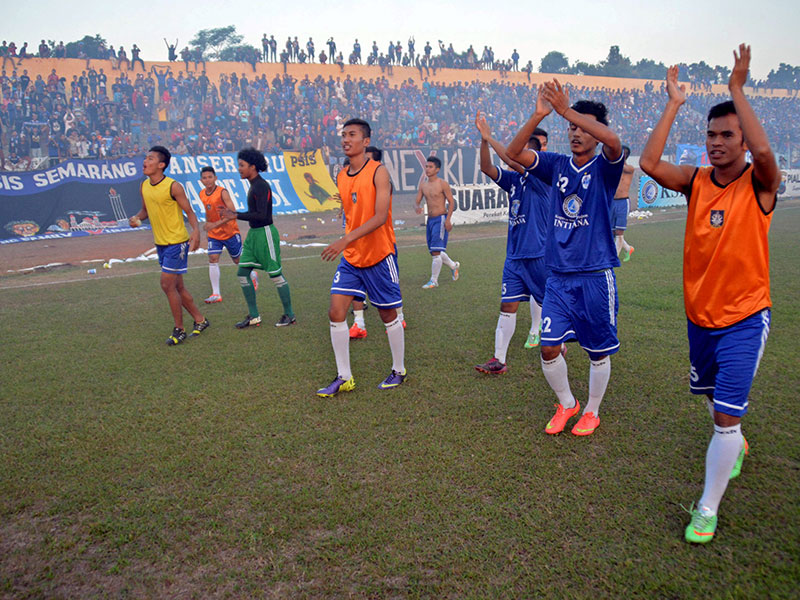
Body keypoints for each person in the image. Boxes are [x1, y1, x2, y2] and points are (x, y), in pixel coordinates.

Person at [639, 46, 779, 544]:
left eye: (727, 135)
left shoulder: (760, 184)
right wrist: (674, 103)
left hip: (746, 316)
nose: (717, 143)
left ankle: (706, 509)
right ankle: (734, 442)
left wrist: (736, 89)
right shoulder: (695, 182)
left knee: (723, 418)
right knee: (713, 403)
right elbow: (649, 163)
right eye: (711, 135)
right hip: (700, 318)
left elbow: (766, 156)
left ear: (742, 141)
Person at [507, 81, 624, 437]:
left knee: (597, 351)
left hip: (594, 275)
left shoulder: (605, 166)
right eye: (571, 126)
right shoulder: (556, 164)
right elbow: (514, 152)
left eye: (582, 127)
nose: (575, 132)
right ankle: (567, 403)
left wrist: (566, 110)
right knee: (548, 347)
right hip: (557, 276)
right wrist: (539, 114)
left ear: (595, 133)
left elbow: (614, 142)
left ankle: (592, 411)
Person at [318, 119, 406, 396]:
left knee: (387, 313)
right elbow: (352, 209)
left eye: (352, 134)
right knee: (336, 312)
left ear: (366, 141)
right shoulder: (341, 175)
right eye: (344, 135)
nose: (346, 139)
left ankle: (399, 370)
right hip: (352, 257)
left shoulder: (379, 171)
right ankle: (344, 376)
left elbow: (380, 217)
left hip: (379, 254)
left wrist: (344, 239)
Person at [474, 112, 549, 375]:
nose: (518, 153)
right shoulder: (515, 180)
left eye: (523, 151)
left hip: (539, 253)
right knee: (507, 306)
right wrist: (484, 142)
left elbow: (510, 158)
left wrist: (490, 136)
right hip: (515, 255)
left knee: (550, 304)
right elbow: (487, 168)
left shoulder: (541, 178)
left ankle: (559, 343)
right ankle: (499, 360)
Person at [129, 146, 209, 345]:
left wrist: (196, 232)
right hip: (161, 243)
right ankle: (200, 320)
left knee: (166, 284)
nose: (145, 161)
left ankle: (179, 330)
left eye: (150, 158)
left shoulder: (173, 186)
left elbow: (189, 211)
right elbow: (145, 211)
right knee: (178, 287)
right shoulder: (144, 186)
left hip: (177, 242)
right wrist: (137, 218)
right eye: (145, 158)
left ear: (161, 165)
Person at [219, 147, 296, 328]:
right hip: (254, 235)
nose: (239, 169)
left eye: (242, 165)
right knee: (242, 273)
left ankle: (290, 315)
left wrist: (235, 215)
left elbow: (262, 215)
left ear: (252, 167)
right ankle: (254, 316)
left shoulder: (261, 186)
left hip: (265, 234)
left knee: (275, 275)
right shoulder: (254, 185)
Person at [348, 145, 406, 339]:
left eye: (369, 160)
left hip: (382, 244)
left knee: (391, 283)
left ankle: (400, 317)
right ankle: (359, 324)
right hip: (358, 245)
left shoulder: (383, 182)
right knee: (355, 285)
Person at [198, 165, 257, 303]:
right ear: (201, 180)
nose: (207, 180)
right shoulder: (202, 194)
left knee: (237, 261)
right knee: (213, 258)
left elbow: (232, 213)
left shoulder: (222, 192)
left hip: (230, 232)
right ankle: (216, 294)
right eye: (204, 178)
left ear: (215, 178)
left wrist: (214, 225)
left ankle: (253, 274)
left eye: (210, 177)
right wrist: (209, 226)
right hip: (214, 235)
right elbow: (209, 212)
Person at [415, 156, 460, 288]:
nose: (427, 169)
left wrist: (448, 220)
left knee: (436, 252)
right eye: (426, 166)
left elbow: (451, 202)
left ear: (437, 169)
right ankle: (453, 266)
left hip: (440, 219)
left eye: (430, 167)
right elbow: (417, 201)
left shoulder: (442, 184)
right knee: (435, 251)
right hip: (430, 221)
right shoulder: (423, 185)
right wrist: (417, 207)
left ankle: (434, 281)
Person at [612, 145, 635, 261]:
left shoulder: (629, 168)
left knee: (619, 232)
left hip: (622, 202)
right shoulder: (613, 167)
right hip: (611, 202)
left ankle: (614, 258)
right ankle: (628, 248)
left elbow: (622, 167)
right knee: (612, 232)